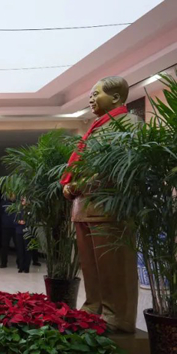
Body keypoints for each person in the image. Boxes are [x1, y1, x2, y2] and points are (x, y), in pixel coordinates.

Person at [62, 76, 140, 333]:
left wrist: (81, 183)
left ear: (116, 97)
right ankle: (93, 308)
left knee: (113, 266)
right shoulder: (95, 127)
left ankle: (117, 317)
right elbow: (81, 165)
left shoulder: (128, 123)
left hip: (110, 208)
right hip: (84, 207)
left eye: (96, 94)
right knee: (90, 266)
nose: (91, 99)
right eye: (91, 95)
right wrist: (71, 184)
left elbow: (121, 165)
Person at [0, 194, 17, 269]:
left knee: (18, 245)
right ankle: (3, 263)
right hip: (5, 227)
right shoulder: (3, 203)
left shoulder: (17, 204)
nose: (12, 197)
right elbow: (0, 213)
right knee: (4, 245)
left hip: (15, 227)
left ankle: (20, 263)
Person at [15, 199, 31, 274]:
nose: (23, 202)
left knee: (27, 250)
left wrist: (26, 222)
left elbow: (32, 220)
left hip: (27, 231)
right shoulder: (18, 209)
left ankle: (26, 267)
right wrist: (19, 222)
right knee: (20, 250)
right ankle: (21, 266)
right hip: (19, 231)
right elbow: (14, 220)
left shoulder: (30, 210)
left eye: (24, 200)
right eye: (22, 200)